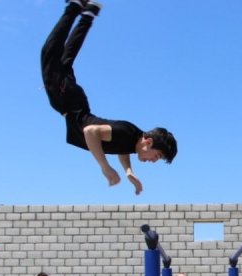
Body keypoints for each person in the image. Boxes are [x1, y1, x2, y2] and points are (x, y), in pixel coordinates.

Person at [40, 0, 177, 195]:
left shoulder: (132, 139)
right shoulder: (125, 132)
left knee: (66, 58)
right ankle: (75, 7)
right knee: (50, 52)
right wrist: (105, 167)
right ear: (148, 142)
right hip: (67, 100)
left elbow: (123, 148)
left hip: (74, 102)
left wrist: (128, 171)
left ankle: (88, 13)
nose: (153, 161)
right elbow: (90, 131)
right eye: (157, 156)